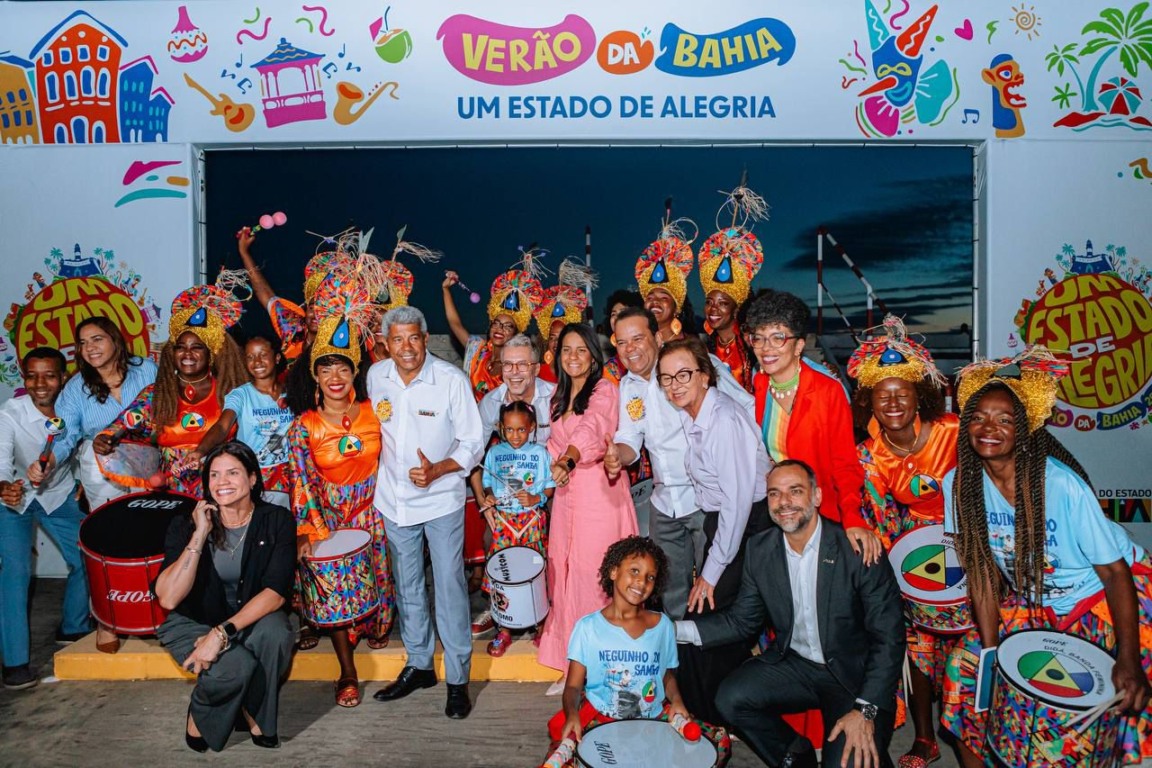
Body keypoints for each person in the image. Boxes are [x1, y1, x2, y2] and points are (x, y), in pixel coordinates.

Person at [941, 350, 1152, 768]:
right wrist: (991, 654)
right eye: (979, 417)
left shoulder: (1061, 485)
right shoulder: (959, 484)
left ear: (1024, 430)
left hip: (1104, 598)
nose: (989, 428)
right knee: (963, 671)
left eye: (1005, 420)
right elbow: (981, 574)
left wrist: (1128, 658)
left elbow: (1114, 573)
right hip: (1035, 602)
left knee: (1088, 702)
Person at [677, 460, 906, 768]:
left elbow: (889, 638)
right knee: (731, 698)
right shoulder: (761, 549)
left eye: (795, 491)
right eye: (774, 493)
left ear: (817, 496)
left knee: (847, 762)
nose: (784, 502)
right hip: (796, 666)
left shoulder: (857, 548)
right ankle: (795, 756)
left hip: (853, 678)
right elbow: (742, 621)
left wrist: (865, 709)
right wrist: (670, 629)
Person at [849, 315, 959, 768]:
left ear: (920, 397)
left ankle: (973, 735)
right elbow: (878, 518)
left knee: (966, 652)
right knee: (917, 644)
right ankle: (926, 739)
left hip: (969, 543)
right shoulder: (870, 453)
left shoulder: (954, 432)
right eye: (883, 394)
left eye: (902, 393)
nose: (893, 402)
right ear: (869, 402)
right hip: (916, 547)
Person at [369, 305, 484, 719]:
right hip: (393, 500)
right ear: (386, 343)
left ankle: (458, 679)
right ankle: (419, 665)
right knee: (408, 584)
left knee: (449, 586)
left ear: (424, 338)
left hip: (441, 499)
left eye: (413, 338)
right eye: (397, 339)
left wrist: (439, 469)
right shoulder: (376, 376)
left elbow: (473, 442)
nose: (406, 347)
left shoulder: (451, 380)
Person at [604, 308, 753, 620]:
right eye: (622, 342)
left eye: (638, 339)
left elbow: (745, 405)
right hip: (663, 503)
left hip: (704, 499)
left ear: (658, 337)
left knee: (716, 584)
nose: (630, 349)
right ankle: (679, 645)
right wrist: (618, 455)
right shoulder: (628, 386)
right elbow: (630, 437)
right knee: (669, 588)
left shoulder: (692, 367)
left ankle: (714, 641)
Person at [286, 292, 396, 707]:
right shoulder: (303, 426)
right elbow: (300, 481)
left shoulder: (376, 411)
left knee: (378, 593)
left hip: (374, 513)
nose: (335, 376)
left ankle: (373, 628)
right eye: (326, 368)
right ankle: (347, 671)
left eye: (343, 367)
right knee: (336, 593)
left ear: (355, 372)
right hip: (328, 519)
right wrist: (309, 531)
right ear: (314, 376)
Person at [655, 337, 771, 726]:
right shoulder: (695, 416)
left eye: (683, 374)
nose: (674, 385)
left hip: (745, 524)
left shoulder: (722, 420)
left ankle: (715, 716)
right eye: (666, 378)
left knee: (707, 617)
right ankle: (707, 713)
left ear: (705, 376)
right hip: (725, 522)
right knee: (705, 618)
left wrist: (711, 571)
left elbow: (737, 504)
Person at [154, 441, 295, 753]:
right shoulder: (186, 522)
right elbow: (168, 599)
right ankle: (202, 711)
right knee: (236, 666)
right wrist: (199, 535)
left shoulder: (277, 520)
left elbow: (275, 593)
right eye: (214, 475)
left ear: (253, 478)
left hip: (249, 618)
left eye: (232, 473)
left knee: (275, 633)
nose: (222, 482)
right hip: (195, 619)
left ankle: (254, 710)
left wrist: (221, 633)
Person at [29, 316, 157, 654]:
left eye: (97, 339)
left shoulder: (146, 369)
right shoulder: (76, 388)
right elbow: (65, 435)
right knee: (108, 537)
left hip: (148, 459)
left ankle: (155, 612)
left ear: (115, 339)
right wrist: (48, 462)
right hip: (98, 462)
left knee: (151, 534)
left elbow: (168, 409)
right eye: (83, 343)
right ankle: (107, 619)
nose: (90, 348)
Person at [546, 536, 731, 767]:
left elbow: (667, 675)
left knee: (717, 741)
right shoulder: (587, 627)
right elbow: (573, 686)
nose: (641, 581)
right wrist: (572, 714)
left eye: (650, 577)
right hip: (602, 718)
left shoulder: (662, 626)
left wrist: (676, 701)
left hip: (653, 717)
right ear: (613, 571)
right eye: (634, 571)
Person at [745, 289, 881, 563]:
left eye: (778, 337)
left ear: (798, 346)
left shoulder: (827, 391)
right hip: (781, 511)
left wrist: (852, 518)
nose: (766, 348)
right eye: (758, 338)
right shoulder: (760, 383)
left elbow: (845, 463)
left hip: (822, 512)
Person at [536, 323, 637, 691]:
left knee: (595, 577)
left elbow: (591, 430)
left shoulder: (605, 390)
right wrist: (542, 473)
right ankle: (573, 666)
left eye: (581, 349)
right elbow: (552, 445)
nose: (573, 357)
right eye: (567, 350)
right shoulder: (557, 396)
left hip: (599, 492)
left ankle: (605, 666)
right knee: (563, 573)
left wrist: (568, 459)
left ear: (594, 357)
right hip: (567, 496)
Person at [95, 278, 249, 498]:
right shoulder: (156, 394)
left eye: (197, 347)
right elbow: (125, 423)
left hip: (222, 486)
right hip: (171, 488)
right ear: (172, 352)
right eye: (180, 347)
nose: (187, 353)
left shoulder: (230, 390)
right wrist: (106, 437)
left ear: (211, 354)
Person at [0, 347, 87, 690]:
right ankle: (15, 663)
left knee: (87, 557)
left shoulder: (74, 408)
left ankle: (73, 626)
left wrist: (83, 480)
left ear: (63, 378)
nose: (40, 384)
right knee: (15, 574)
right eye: (32, 376)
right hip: (14, 498)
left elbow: (85, 445)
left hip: (58, 495)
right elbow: (1, 461)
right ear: (23, 378)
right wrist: (4, 488)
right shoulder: (10, 414)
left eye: (49, 375)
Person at [470, 333, 555, 638]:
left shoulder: (555, 398)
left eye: (522, 365)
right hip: (505, 497)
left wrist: (543, 497)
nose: (514, 372)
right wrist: (485, 504)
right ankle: (501, 609)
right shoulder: (491, 403)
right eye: (508, 365)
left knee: (545, 553)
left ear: (536, 368)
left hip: (551, 489)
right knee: (494, 543)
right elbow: (473, 457)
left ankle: (546, 611)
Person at [478, 401, 555, 656]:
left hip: (531, 523)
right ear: (501, 428)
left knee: (534, 573)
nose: (515, 436)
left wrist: (535, 498)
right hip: (504, 523)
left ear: (531, 427)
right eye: (509, 430)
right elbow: (487, 482)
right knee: (504, 573)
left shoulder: (540, 454)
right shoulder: (494, 453)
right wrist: (489, 496)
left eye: (521, 429)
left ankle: (541, 626)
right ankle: (504, 629)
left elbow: (549, 488)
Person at [181, 335, 293, 509]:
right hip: (253, 475)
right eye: (250, 357)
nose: (257, 362)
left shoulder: (293, 393)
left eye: (263, 354)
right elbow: (222, 426)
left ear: (277, 357)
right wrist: (200, 450)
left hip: (288, 476)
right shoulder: (240, 395)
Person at [635, 221, 695, 344]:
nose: (655, 302)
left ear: (677, 309)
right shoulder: (638, 347)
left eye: (663, 298)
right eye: (650, 297)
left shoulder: (691, 348)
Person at [600, 289, 644, 385]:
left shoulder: (649, 352)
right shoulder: (609, 371)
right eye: (613, 314)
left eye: (623, 312)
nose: (617, 317)